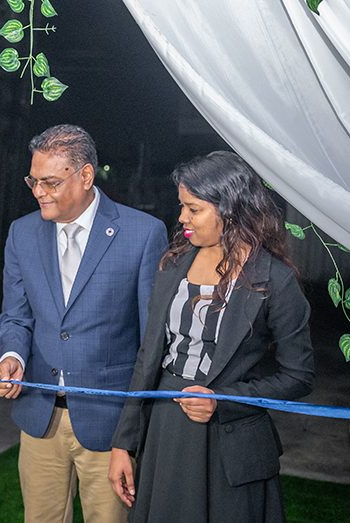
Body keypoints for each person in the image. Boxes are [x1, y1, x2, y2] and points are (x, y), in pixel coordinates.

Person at [108, 151, 315, 522]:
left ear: (230, 209)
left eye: (193, 209)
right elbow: (147, 358)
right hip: (166, 432)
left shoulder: (276, 281)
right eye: (182, 207)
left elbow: (298, 377)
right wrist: (124, 443)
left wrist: (224, 400)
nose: (181, 218)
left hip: (230, 444)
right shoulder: (173, 265)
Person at [0, 124, 168, 522]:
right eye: (33, 181)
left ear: (85, 176)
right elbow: (16, 314)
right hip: (39, 417)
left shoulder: (142, 234)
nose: (38, 192)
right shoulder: (22, 233)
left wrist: (132, 432)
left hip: (109, 423)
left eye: (50, 182)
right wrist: (12, 356)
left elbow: (151, 340)